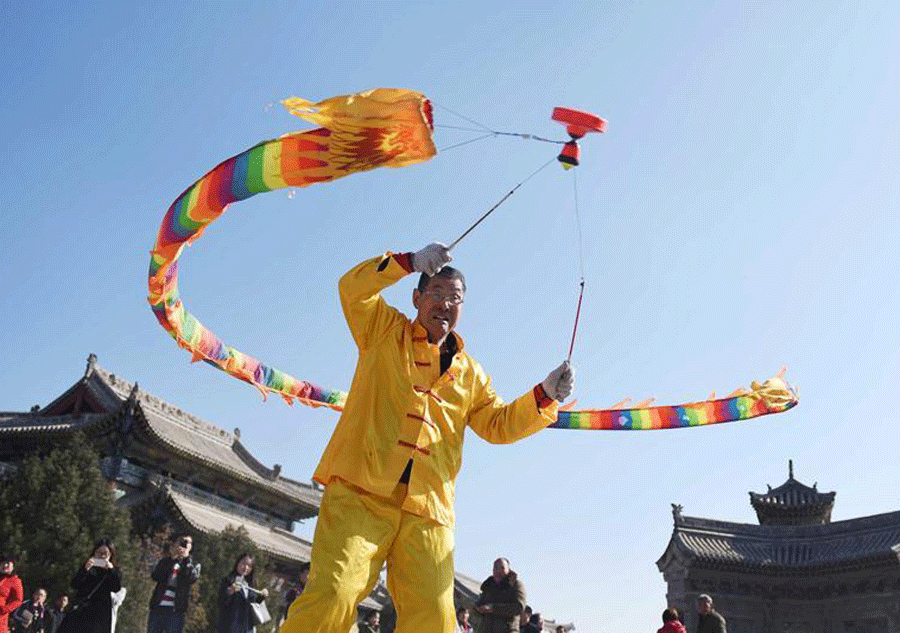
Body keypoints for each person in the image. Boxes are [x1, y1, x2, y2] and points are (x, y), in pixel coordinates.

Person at [282, 244, 573, 633]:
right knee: (333, 594)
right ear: (417, 297)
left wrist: (545, 394)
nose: (445, 304)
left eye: (455, 298)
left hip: (430, 507)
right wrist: (408, 262)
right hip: (360, 491)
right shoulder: (383, 330)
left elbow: (498, 424)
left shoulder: (472, 374)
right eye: (437, 294)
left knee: (435, 619)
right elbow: (352, 289)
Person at [56, 539, 122, 633]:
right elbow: (74, 584)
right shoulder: (87, 567)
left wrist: (111, 570)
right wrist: (85, 570)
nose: (102, 556)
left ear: (111, 554)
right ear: (94, 553)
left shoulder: (113, 571)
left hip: (100, 616)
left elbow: (116, 588)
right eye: (99, 553)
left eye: (105, 553)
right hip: (82, 611)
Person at [147, 533, 201, 633]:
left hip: (176, 610)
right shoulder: (166, 561)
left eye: (187, 542)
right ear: (175, 543)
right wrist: (172, 559)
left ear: (191, 546)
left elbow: (191, 578)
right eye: (181, 541)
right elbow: (156, 576)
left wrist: (185, 559)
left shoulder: (193, 564)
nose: (184, 545)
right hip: (158, 606)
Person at [217, 553, 268, 633]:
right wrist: (230, 591)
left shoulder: (249, 584)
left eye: (249, 566)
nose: (246, 567)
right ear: (237, 563)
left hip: (247, 628)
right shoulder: (228, 580)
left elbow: (253, 603)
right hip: (230, 627)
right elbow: (220, 602)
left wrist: (262, 596)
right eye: (243, 563)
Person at [474, 558, 527, 633]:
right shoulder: (488, 585)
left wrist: (493, 608)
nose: (498, 571)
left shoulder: (516, 585)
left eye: (502, 568)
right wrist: (478, 607)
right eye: (495, 568)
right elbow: (479, 603)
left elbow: (519, 607)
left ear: (508, 569)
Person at [277, 562, 309, 630]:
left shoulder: (312, 595)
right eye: (307, 573)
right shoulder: (292, 592)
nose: (309, 577)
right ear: (301, 574)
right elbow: (285, 609)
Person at [0, 556, 23, 633]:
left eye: (7, 563)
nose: (5, 565)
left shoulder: (15, 580)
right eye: (3, 563)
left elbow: (18, 600)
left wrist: (6, 609)